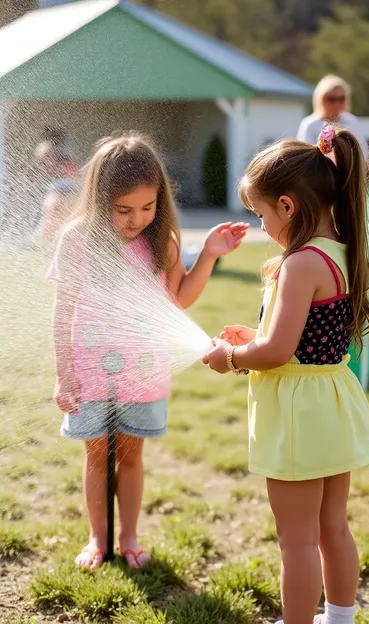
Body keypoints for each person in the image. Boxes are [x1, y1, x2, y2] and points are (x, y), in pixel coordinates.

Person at [47, 133, 249, 570]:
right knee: (97, 457)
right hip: (89, 372)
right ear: (101, 201)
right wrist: (64, 374)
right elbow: (62, 312)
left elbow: (178, 301)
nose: (137, 219)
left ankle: (130, 536)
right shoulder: (77, 240)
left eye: (147, 207)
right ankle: (97, 539)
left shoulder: (163, 241)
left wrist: (209, 256)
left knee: (132, 457)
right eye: (124, 211)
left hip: (144, 373)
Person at [203, 126, 369, 624]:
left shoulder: (300, 263)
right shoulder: (341, 248)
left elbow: (278, 352)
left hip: (299, 413)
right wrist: (251, 334)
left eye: (260, 215)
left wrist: (231, 359)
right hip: (332, 401)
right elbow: (299, 335)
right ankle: (339, 619)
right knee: (332, 527)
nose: (261, 227)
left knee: (295, 539)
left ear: (287, 205)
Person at [297, 75, 369, 162]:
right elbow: (304, 157)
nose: (337, 103)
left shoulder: (352, 121)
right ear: (321, 99)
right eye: (332, 99)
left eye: (341, 99)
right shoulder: (310, 124)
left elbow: (363, 154)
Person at [33, 138, 79, 245]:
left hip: (66, 194)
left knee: (54, 213)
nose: (44, 161)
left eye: (46, 156)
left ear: (52, 155)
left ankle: (48, 241)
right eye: (43, 158)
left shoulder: (66, 164)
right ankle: (46, 242)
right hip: (58, 194)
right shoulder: (46, 168)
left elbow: (75, 179)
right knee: (49, 216)